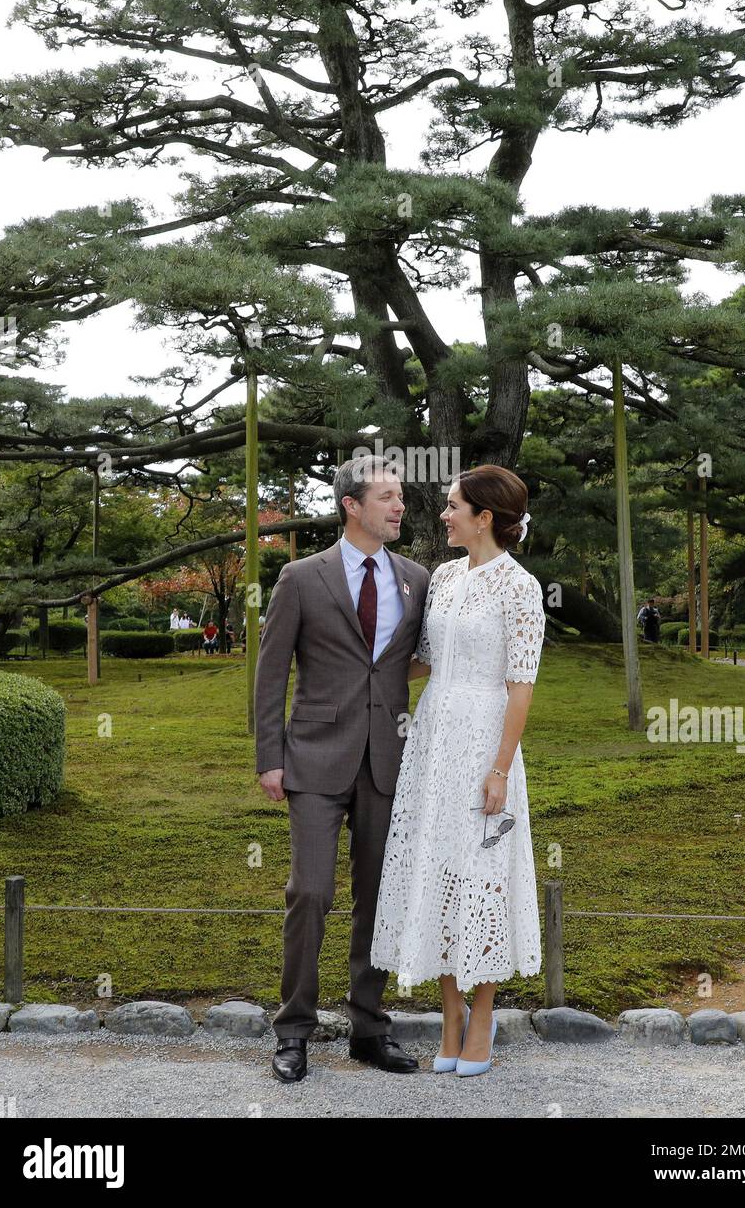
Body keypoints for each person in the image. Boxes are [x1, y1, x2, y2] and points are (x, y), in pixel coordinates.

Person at [254, 455, 430, 1084]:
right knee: (310, 892)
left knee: (377, 899)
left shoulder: (416, 577)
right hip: (312, 760)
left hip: (388, 759)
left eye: (402, 496)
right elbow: (271, 672)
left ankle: (368, 1028)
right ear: (352, 505)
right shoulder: (301, 577)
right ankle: (294, 1029)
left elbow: (410, 660)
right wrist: (269, 757)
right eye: (388, 496)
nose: (400, 506)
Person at [370, 465, 546, 1077]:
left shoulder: (520, 588)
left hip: (486, 744)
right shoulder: (443, 577)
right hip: (433, 737)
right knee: (439, 866)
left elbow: (520, 688)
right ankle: (449, 1016)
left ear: (484, 518)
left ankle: (483, 1016)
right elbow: (420, 661)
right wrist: (357, 672)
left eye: (452, 506)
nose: (442, 515)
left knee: (484, 870)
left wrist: (499, 770)